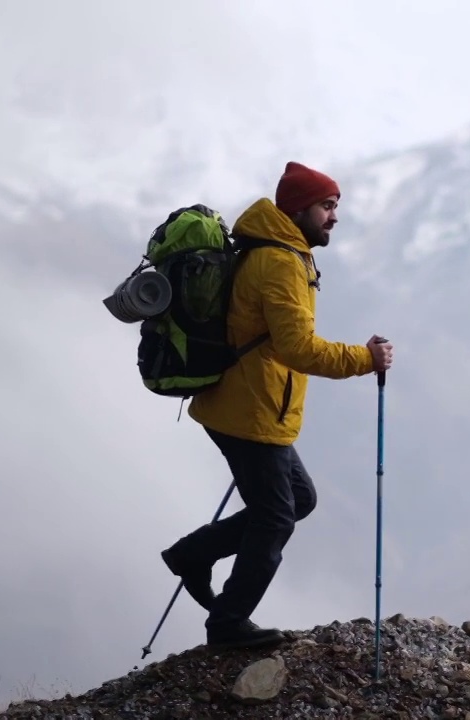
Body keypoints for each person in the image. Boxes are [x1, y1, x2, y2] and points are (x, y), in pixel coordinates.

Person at [159, 161, 394, 650]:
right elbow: (298, 349)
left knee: (297, 500)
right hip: (250, 412)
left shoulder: (273, 248)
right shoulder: (281, 262)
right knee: (275, 517)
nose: (333, 217)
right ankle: (227, 623)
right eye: (327, 206)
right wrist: (365, 359)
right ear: (299, 208)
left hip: (248, 405)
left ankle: (192, 554)